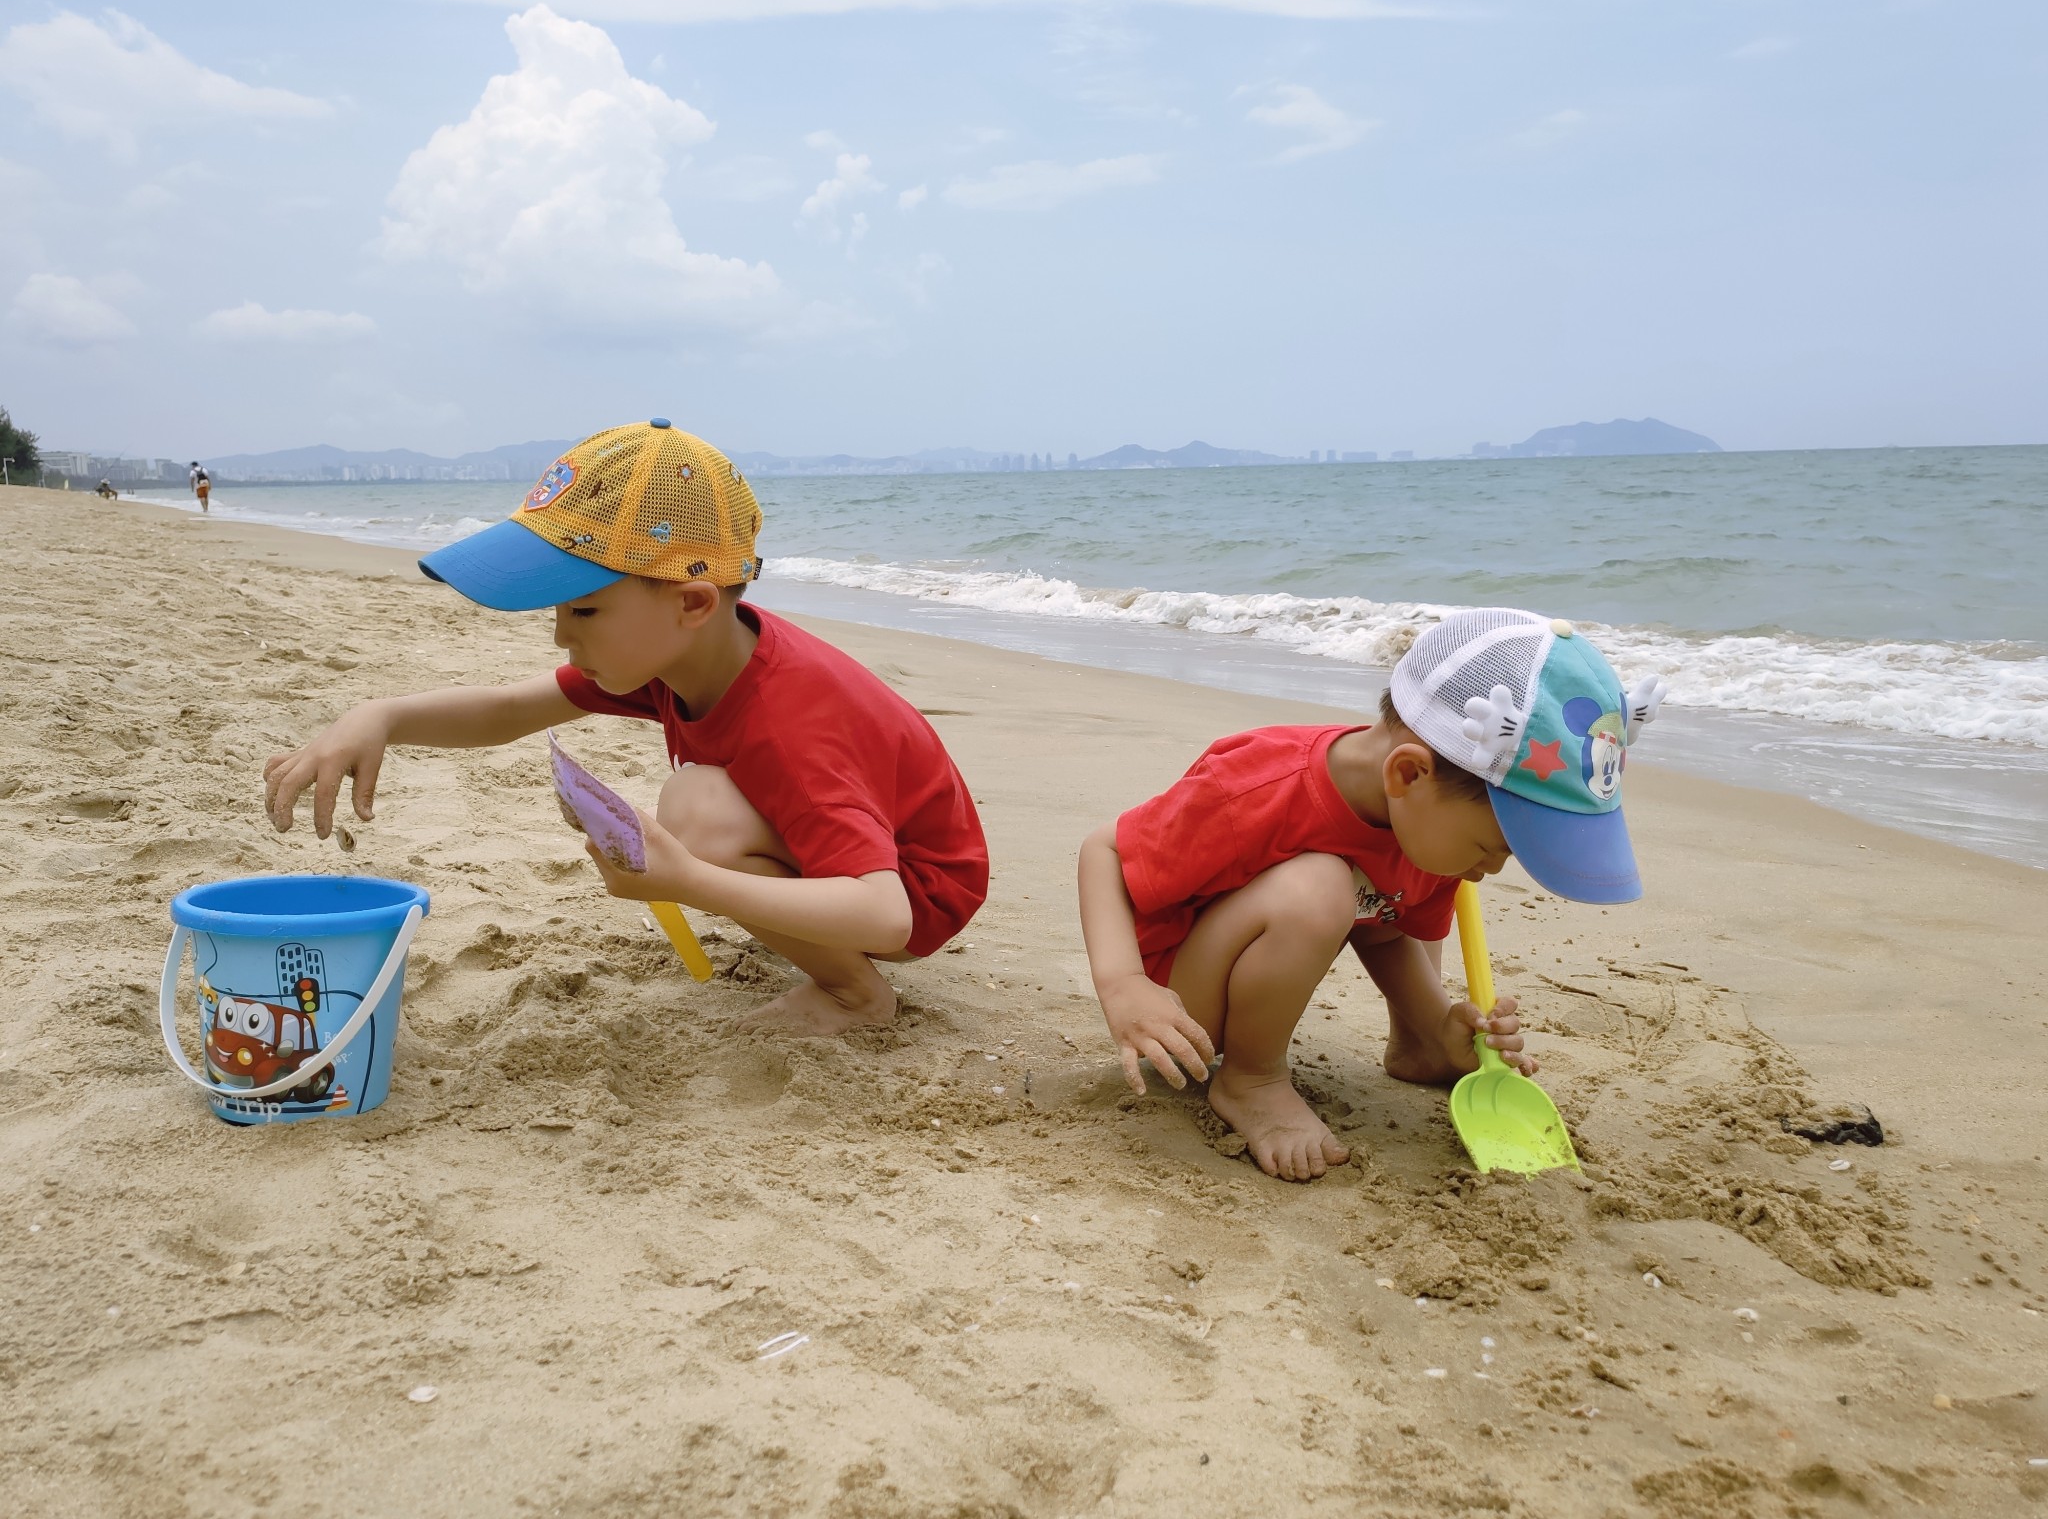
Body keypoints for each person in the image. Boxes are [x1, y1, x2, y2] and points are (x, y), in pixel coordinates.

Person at [263, 419, 989, 1036]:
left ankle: (853, 994)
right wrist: (379, 718)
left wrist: (692, 880)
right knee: (699, 807)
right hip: (857, 858)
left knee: (695, 812)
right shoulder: (685, 654)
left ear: (694, 603)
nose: (559, 637)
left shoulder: (791, 719)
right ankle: (780, 906)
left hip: (914, 893)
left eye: (581, 611)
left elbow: (887, 916)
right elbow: (510, 709)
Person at [1075, 608, 1665, 1181]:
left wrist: (1440, 1030)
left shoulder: (1425, 821)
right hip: (1177, 1013)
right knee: (1320, 888)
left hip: (1244, 976)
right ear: (1408, 774)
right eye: (1495, 846)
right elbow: (1103, 852)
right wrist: (1125, 987)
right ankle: (1252, 1080)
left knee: (1372, 894)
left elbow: (1392, 930)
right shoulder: (1257, 787)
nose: (1493, 868)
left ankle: (1418, 1045)